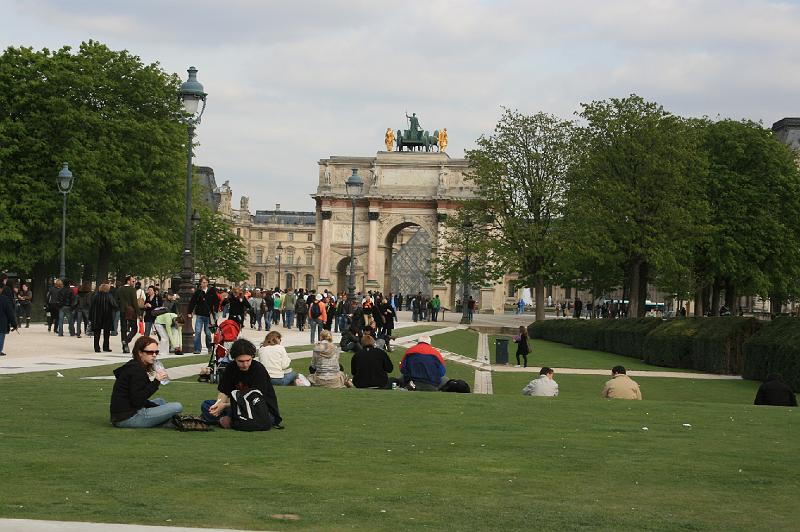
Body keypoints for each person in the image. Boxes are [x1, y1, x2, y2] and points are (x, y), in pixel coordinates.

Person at [202, 338, 283, 429]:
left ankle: (227, 420)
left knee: (264, 416)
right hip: (235, 406)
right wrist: (218, 405)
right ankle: (228, 419)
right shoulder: (230, 368)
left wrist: (225, 406)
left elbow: (255, 401)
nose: (245, 364)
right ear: (234, 359)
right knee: (207, 405)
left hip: (259, 408)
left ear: (252, 357)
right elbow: (224, 392)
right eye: (241, 361)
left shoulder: (259, 370)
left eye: (248, 360)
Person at [109, 336, 183, 428]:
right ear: (140, 353)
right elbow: (137, 400)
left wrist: (156, 407)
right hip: (128, 417)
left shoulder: (136, 366)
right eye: (150, 352)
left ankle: (167, 421)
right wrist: (156, 381)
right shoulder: (136, 371)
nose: (154, 355)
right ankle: (169, 422)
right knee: (177, 407)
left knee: (160, 401)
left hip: (126, 413)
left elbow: (138, 398)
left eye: (156, 352)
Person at [187, 276, 216, 354]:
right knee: (198, 332)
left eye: (206, 282)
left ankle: (209, 347)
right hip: (199, 314)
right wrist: (189, 312)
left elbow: (216, 301)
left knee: (208, 333)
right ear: (200, 283)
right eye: (203, 282)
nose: (204, 284)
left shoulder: (212, 290)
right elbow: (192, 302)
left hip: (208, 315)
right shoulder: (198, 292)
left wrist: (215, 311)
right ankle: (197, 349)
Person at [89, 282, 117, 353]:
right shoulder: (109, 296)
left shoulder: (95, 296)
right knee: (106, 333)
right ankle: (106, 347)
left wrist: (90, 317)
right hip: (107, 316)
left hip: (96, 316)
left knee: (97, 333)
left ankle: (96, 347)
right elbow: (114, 305)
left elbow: (91, 307)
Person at [117, 275, 139, 353]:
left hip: (123, 311)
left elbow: (117, 300)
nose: (134, 282)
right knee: (134, 328)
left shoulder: (120, 289)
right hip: (131, 311)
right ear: (128, 281)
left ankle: (125, 347)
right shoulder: (132, 290)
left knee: (123, 329)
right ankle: (126, 341)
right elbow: (134, 302)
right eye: (133, 281)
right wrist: (138, 313)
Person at [0, 286, 17, 356]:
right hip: (1, 322)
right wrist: (14, 324)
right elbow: (9, 313)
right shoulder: (4, 299)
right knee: (1, 335)